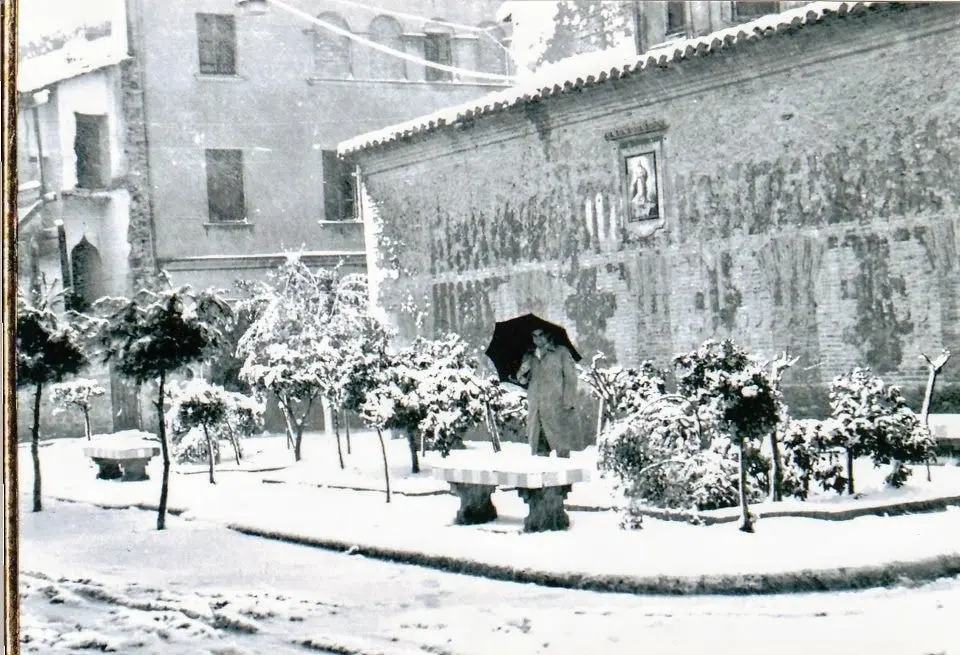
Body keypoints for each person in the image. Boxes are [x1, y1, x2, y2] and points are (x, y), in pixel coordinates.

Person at [515, 328, 580, 458]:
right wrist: (523, 369)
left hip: (555, 406)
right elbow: (522, 381)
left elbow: (571, 378)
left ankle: (564, 476)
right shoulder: (530, 355)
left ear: (548, 335)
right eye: (534, 336)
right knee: (539, 449)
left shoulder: (561, 352)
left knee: (561, 447)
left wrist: (568, 401)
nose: (537, 339)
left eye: (541, 335)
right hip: (536, 409)